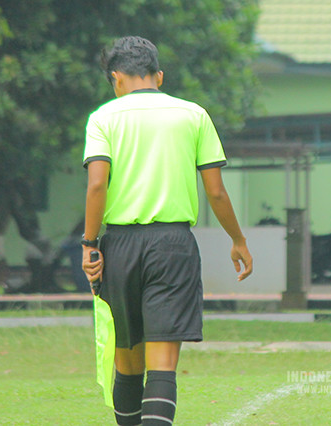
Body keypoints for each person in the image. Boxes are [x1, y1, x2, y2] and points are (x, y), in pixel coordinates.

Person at [81, 36, 253, 426]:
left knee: (126, 360)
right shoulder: (193, 114)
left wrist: (90, 245)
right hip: (173, 246)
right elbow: (216, 191)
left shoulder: (103, 118)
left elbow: (96, 186)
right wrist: (237, 239)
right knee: (162, 366)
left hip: (119, 246)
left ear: (116, 78)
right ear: (158, 75)